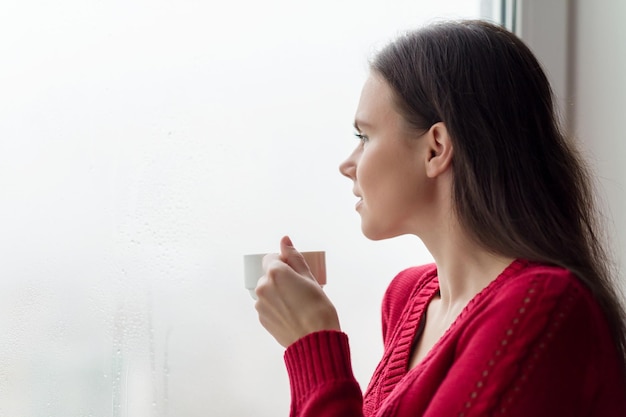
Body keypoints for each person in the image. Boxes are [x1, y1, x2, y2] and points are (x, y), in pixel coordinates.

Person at [253, 20, 626, 416]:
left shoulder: (542, 306)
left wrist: (313, 343)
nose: (347, 164)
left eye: (364, 137)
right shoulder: (408, 296)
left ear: (435, 148)